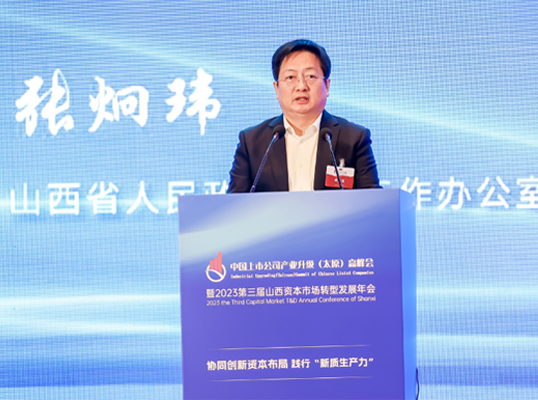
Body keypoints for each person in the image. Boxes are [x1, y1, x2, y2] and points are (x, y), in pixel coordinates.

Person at [227, 39, 381, 193]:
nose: (301, 86)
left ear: (327, 86)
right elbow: (234, 203)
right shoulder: (252, 142)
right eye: (290, 77)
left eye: (311, 76)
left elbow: (373, 200)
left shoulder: (354, 138)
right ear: (276, 88)